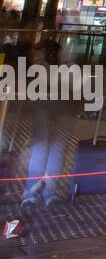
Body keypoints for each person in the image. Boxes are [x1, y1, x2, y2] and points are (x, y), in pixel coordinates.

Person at [20, 32, 77, 208]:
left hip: (46, 112)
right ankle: (49, 193)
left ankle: (31, 192)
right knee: (55, 152)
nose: (33, 56)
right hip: (62, 112)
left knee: (41, 150)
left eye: (37, 53)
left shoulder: (40, 68)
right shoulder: (67, 67)